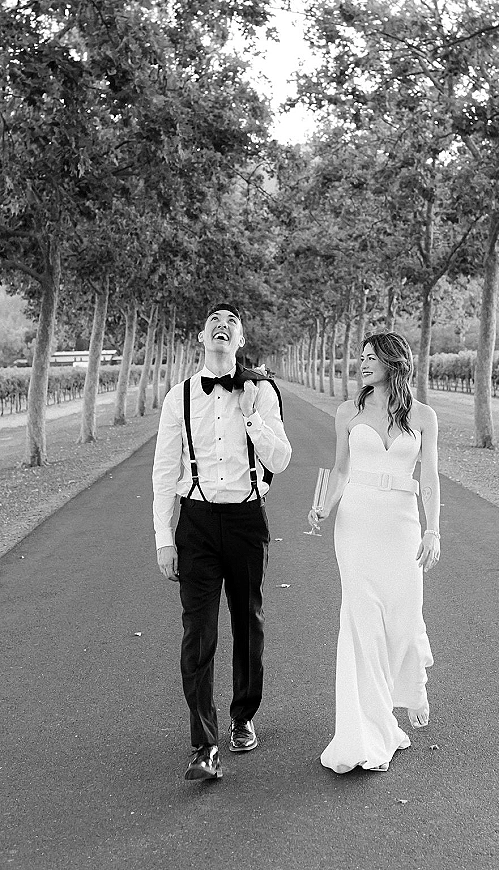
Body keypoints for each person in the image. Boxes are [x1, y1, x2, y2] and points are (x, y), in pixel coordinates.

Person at [153, 303, 291, 781]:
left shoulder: (263, 391)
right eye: (215, 321)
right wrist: (162, 538)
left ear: (241, 340)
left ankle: (242, 717)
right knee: (198, 633)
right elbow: (163, 470)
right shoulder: (178, 398)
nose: (222, 326)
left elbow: (283, 457)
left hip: (247, 521)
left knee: (247, 621)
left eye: (232, 322)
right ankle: (203, 743)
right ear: (200, 337)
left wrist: (253, 416)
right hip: (195, 523)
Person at [308, 332, 440, 774]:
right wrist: (324, 507)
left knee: (401, 617)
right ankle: (365, 735)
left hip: (402, 525)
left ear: (393, 361)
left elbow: (433, 478)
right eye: (360, 356)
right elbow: (342, 468)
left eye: (371, 357)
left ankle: (399, 702)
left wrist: (433, 530)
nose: (362, 363)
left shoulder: (423, 417)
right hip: (356, 523)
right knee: (363, 622)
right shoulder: (348, 411)